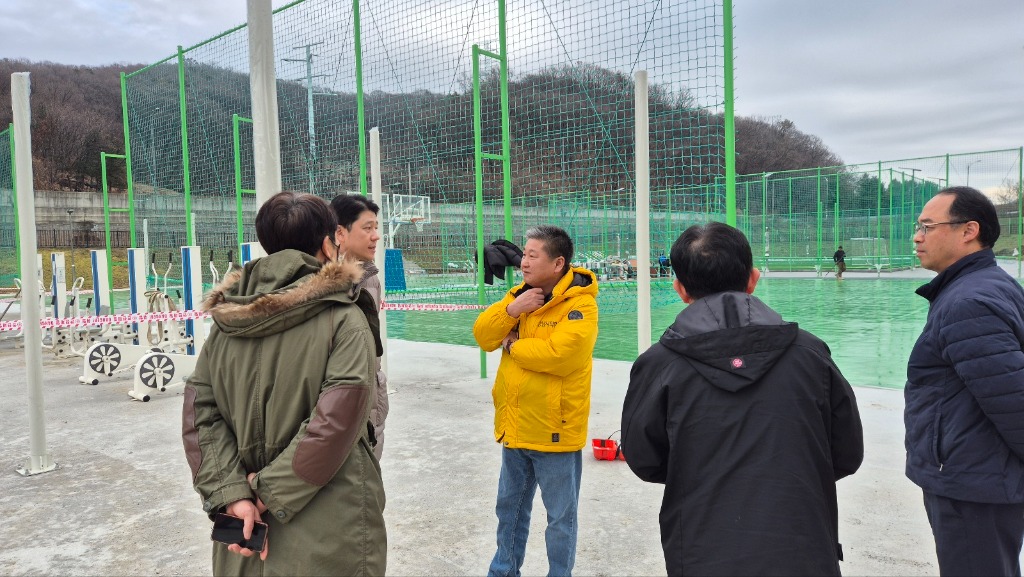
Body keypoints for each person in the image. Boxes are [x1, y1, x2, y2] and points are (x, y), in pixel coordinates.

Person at [621, 221, 864, 576]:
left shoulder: (659, 364)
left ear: (679, 288)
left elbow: (645, 459)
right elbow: (846, 452)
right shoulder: (811, 354)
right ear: (753, 279)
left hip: (703, 550)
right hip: (804, 546)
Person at [182, 191, 386, 576]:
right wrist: (268, 494)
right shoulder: (344, 319)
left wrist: (233, 494)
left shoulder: (226, 325)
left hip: (244, 529)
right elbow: (335, 423)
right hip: (329, 523)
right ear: (328, 244)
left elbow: (199, 416)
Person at [905, 186, 1024, 576]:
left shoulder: (967, 303)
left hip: (973, 483)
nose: (917, 237)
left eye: (927, 226)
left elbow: (1013, 401)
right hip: (979, 474)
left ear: (968, 230)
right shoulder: (986, 286)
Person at [473, 225, 599, 577]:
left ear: (558, 263)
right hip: (515, 427)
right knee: (509, 511)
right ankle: (503, 572)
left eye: (532, 255)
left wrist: (512, 345)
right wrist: (512, 311)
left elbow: (562, 355)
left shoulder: (581, 306)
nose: (523, 262)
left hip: (554, 431)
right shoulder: (520, 296)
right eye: (524, 254)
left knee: (560, 519)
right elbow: (484, 336)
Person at [331, 193, 388, 459]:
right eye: (367, 228)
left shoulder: (370, 278)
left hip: (371, 399)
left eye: (376, 227)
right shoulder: (325, 282)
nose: (375, 236)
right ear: (340, 233)